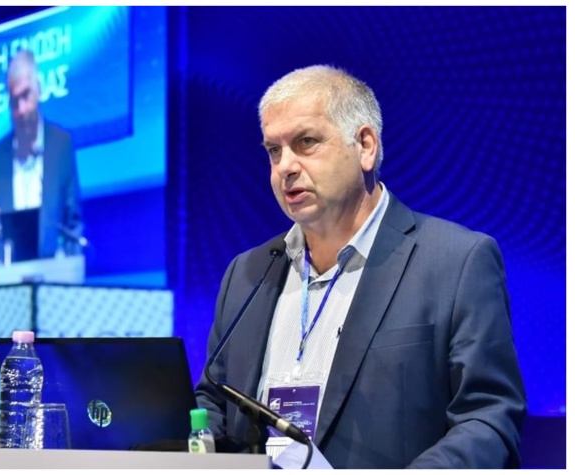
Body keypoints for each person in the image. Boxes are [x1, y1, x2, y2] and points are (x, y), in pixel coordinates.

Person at [194, 65, 527, 468]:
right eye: (273, 151)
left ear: (365, 146)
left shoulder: (455, 262)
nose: (285, 167)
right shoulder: (246, 274)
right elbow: (212, 403)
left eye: (306, 142)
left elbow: (488, 419)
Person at [0, 49, 82, 261]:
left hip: (54, 274)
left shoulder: (61, 145)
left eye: (26, 96)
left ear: (39, 90)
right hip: (7, 278)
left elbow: (74, 223)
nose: (22, 109)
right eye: (14, 102)